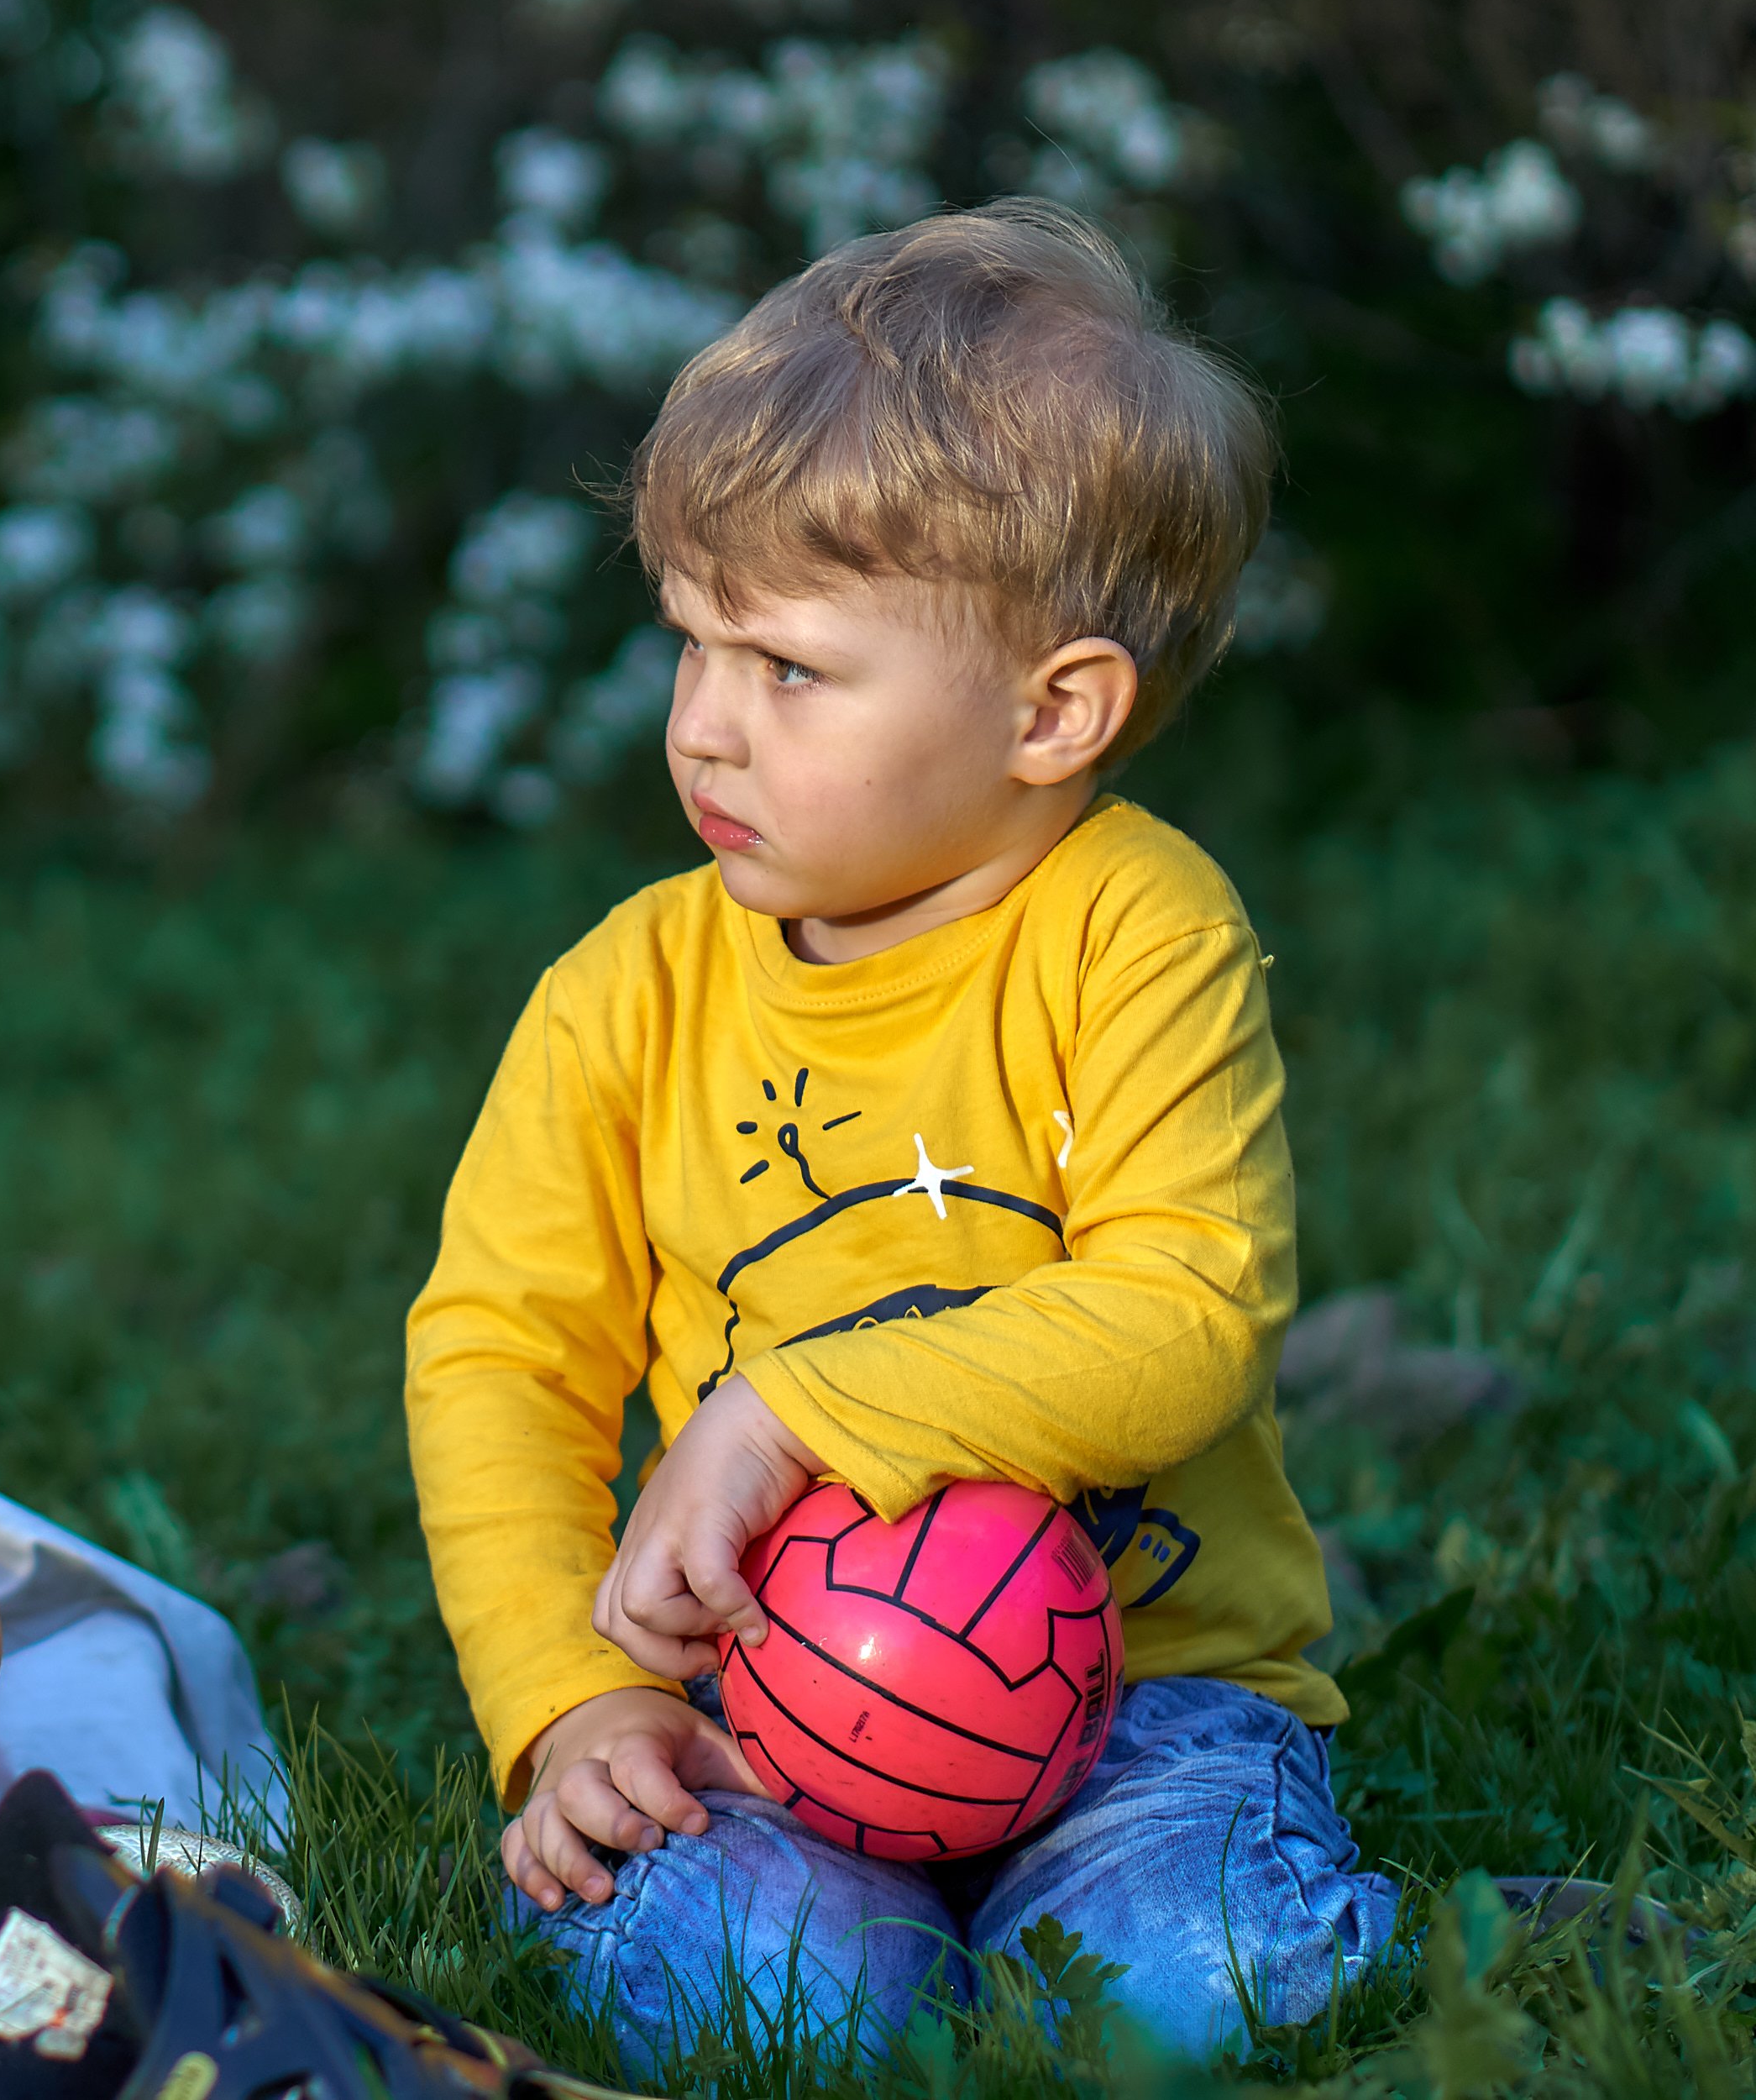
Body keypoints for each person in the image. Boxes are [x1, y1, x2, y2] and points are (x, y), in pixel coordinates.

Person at [401, 202, 1397, 2066]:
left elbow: (1184, 1313)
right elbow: (498, 1358)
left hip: (1141, 1704)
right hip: (749, 1722)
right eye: (685, 643)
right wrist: (570, 1703)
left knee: (1186, 1987)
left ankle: (1174, 1923)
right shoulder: (622, 992)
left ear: (1050, 709)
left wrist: (782, 1411)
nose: (702, 727)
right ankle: (875, 1957)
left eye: (785, 668)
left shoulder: (1135, 930)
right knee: (785, 2005)